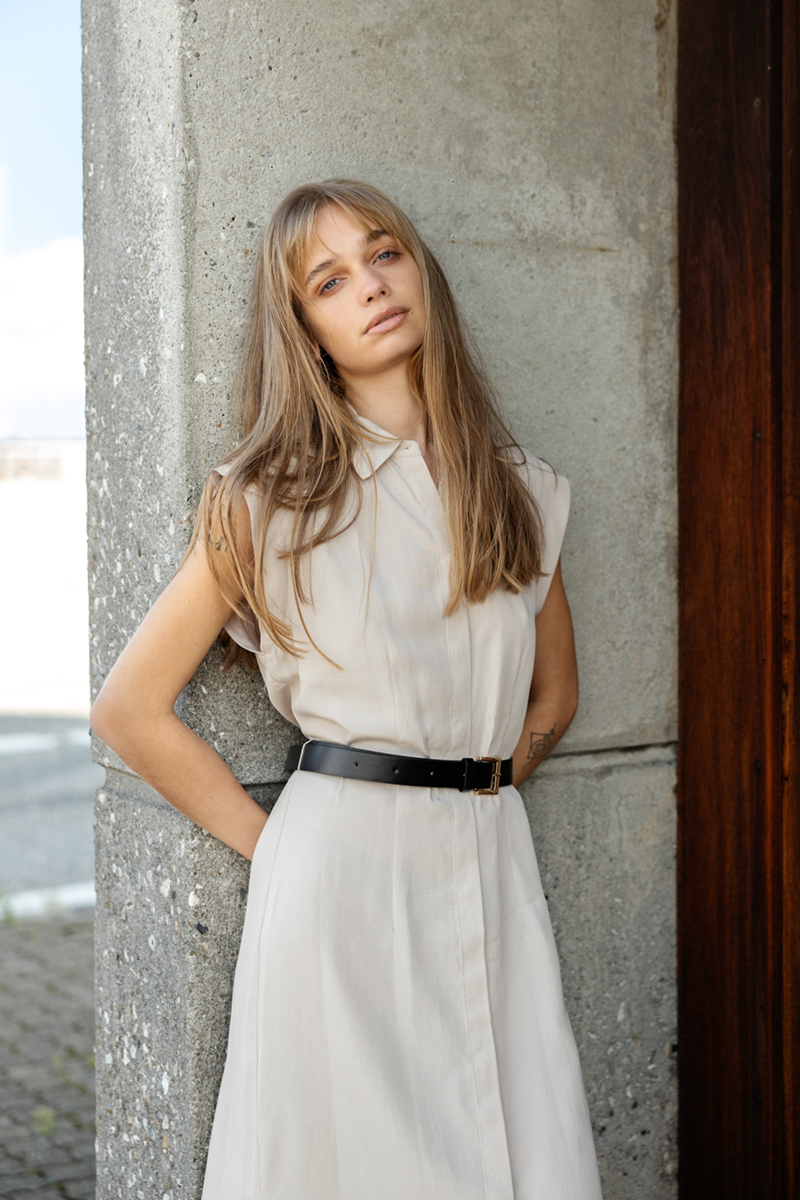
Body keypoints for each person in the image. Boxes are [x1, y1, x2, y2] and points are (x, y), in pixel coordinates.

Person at [90, 179, 603, 1200]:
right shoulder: (265, 499)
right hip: (336, 874)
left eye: (383, 254)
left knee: (512, 1154)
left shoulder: (522, 489)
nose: (369, 285)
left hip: (491, 863)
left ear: (420, 270)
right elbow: (128, 710)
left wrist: (480, 791)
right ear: (305, 328)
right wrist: (280, 845)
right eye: (329, 279)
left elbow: (552, 702)